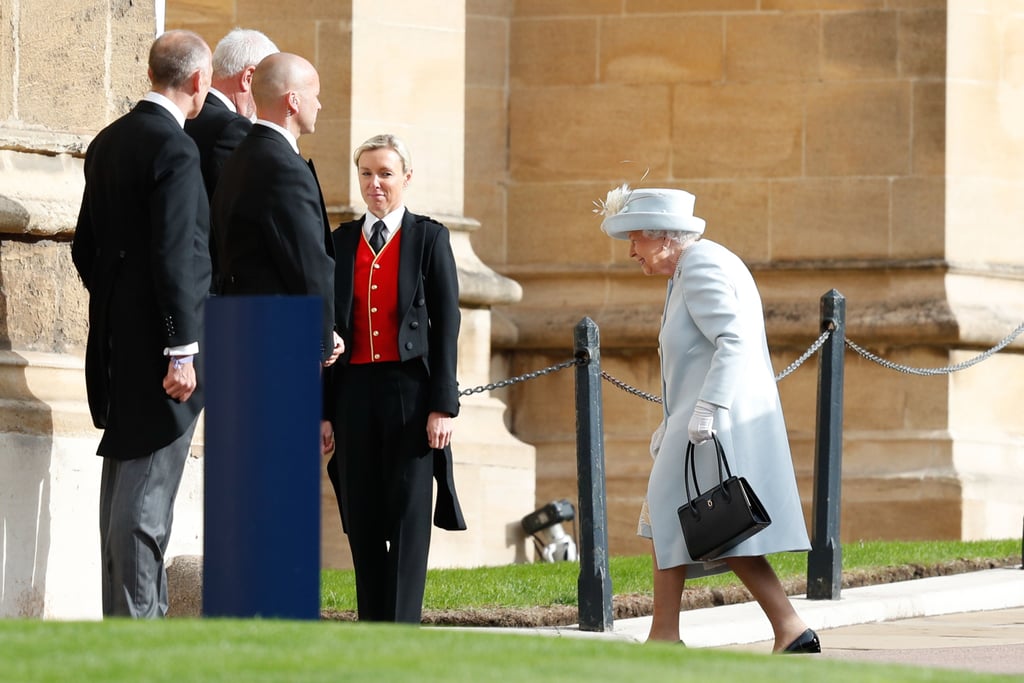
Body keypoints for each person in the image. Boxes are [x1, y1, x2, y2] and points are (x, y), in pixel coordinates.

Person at [596, 185, 820, 653]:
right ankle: (673, 634)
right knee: (682, 522)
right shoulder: (689, 269)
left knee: (711, 523)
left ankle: (783, 626)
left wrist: (707, 410)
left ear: (664, 237)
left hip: (714, 421)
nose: (632, 251)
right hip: (695, 419)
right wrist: (675, 417)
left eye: (635, 238)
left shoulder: (699, 264)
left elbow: (732, 339)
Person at [71, 29, 213, 618]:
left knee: (125, 496)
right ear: (199, 83)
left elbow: (86, 248)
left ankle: (122, 640)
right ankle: (138, 647)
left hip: (116, 343)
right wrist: (182, 348)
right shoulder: (175, 149)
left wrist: (117, 304)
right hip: (163, 354)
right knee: (145, 507)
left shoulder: (108, 141)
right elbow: (176, 254)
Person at [325, 133, 465, 624]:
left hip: (411, 391)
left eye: (385, 174)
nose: (375, 184)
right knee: (361, 512)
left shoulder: (429, 237)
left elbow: (448, 324)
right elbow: (327, 327)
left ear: (406, 178)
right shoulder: (341, 241)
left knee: (408, 514)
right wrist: (323, 413)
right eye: (366, 173)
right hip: (354, 393)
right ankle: (373, 626)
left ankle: (402, 628)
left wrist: (443, 404)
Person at [211, 52, 341, 366]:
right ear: (293, 101)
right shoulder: (284, 166)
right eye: (315, 95)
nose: (319, 105)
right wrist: (322, 337)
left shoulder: (240, 156)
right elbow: (308, 261)